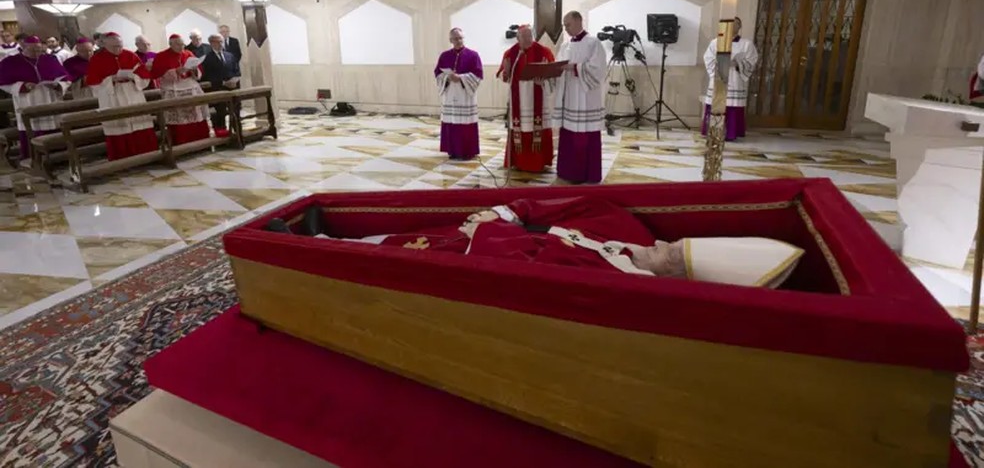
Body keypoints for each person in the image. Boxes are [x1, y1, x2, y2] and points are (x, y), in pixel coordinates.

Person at [267, 196, 803, 289]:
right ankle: (324, 235)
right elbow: (559, 209)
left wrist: (488, 231)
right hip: (490, 233)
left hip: (477, 260)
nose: (654, 247)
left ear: (673, 276)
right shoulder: (633, 231)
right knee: (415, 237)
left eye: (664, 256)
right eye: (669, 241)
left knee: (407, 253)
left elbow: (533, 271)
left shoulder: (624, 282)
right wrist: (500, 211)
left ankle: (309, 248)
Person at [552, 11, 607, 184]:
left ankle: (587, 174)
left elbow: (598, 70)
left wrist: (575, 68)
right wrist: (548, 75)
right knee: (568, 136)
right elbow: (558, 67)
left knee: (586, 137)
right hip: (568, 98)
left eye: (568, 24)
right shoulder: (565, 45)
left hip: (586, 99)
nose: (565, 28)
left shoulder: (593, 43)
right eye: (564, 25)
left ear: (578, 21)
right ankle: (568, 172)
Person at [85, 33, 158, 160]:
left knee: (139, 121)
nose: (118, 49)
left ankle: (147, 155)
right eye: (114, 47)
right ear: (105, 45)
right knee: (118, 125)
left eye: (120, 46)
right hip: (113, 97)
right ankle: (123, 158)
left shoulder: (130, 55)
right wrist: (111, 79)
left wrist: (133, 76)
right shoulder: (97, 59)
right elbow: (93, 84)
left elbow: (143, 76)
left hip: (132, 93)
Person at [498, 25, 555, 173]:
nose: (528, 39)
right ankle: (518, 162)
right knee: (520, 127)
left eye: (530, 36)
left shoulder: (544, 51)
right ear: (517, 38)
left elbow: (554, 76)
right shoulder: (511, 53)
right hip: (519, 98)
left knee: (537, 127)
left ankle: (539, 162)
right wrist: (506, 72)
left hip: (538, 97)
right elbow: (501, 75)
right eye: (524, 37)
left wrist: (544, 78)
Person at [0, 36, 69, 159]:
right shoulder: (10, 62)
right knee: (32, 128)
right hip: (27, 101)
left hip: (50, 99)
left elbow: (66, 79)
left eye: (39, 50)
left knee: (55, 128)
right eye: (33, 50)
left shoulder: (50, 59)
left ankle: (58, 157)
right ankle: (34, 158)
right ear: (24, 47)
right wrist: (21, 86)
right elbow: (3, 83)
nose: (37, 53)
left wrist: (58, 85)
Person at [701, 16, 759, 141]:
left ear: (740, 27)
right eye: (731, 24)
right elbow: (708, 58)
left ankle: (730, 133)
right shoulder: (716, 42)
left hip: (735, 78)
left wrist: (738, 63)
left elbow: (752, 61)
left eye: (737, 24)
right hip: (719, 77)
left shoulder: (746, 44)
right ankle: (713, 131)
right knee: (716, 103)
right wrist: (718, 63)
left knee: (732, 106)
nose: (734, 26)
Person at [150, 34, 209, 145]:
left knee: (196, 114)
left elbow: (197, 73)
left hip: (191, 87)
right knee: (179, 117)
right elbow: (156, 73)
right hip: (173, 88)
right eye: (178, 44)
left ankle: (201, 142)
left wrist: (194, 70)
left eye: (182, 44)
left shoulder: (188, 54)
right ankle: (182, 143)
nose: (181, 47)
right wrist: (176, 71)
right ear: (170, 44)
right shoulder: (162, 56)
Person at [434, 28, 483, 160]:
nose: (458, 41)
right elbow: (437, 73)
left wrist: (461, 78)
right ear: (450, 40)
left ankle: (468, 151)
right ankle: (453, 150)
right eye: (455, 38)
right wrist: (447, 78)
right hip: (450, 95)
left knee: (465, 124)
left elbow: (478, 74)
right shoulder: (444, 56)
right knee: (452, 122)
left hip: (465, 95)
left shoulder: (473, 55)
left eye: (460, 38)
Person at [200, 33, 241, 137]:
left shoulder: (229, 55)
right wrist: (223, 82)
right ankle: (222, 134)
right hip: (218, 89)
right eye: (218, 41)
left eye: (222, 41)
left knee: (236, 111)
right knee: (220, 113)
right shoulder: (207, 59)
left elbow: (237, 70)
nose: (221, 44)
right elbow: (207, 76)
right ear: (211, 43)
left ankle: (237, 131)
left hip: (233, 88)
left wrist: (235, 80)